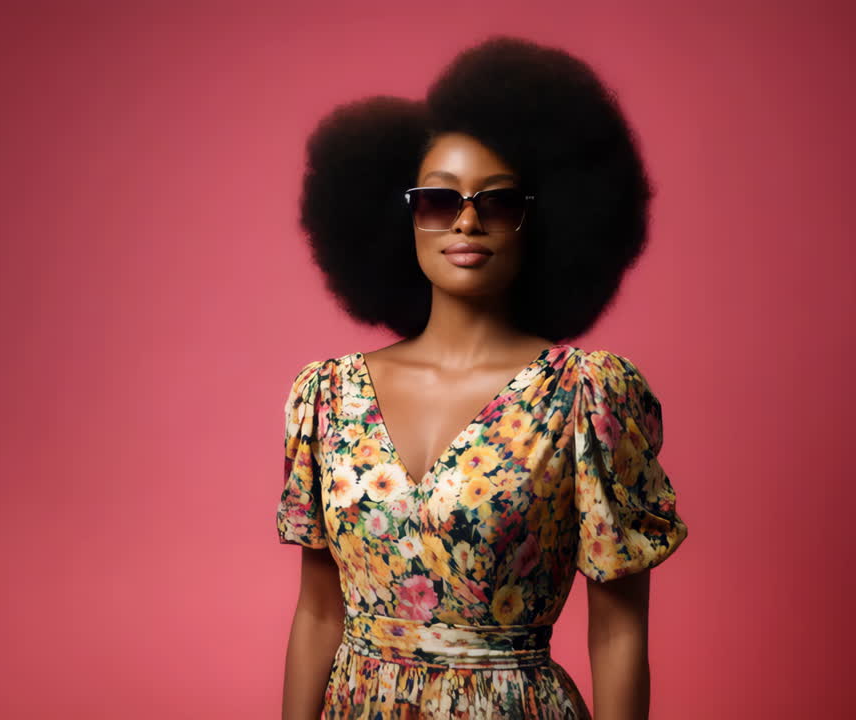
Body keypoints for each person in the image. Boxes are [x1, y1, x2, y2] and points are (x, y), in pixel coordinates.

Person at [275, 34, 689, 720]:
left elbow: (618, 631)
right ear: (402, 216)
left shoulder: (586, 397)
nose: (466, 220)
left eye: (497, 202)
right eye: (438, 200)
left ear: (539, 220)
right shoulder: (327, 397)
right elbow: (319, 614)